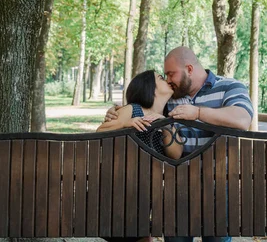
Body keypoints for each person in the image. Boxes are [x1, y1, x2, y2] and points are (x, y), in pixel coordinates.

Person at [105, 47, 253, 242]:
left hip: (218, 182)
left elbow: (242, 119)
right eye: (164, 75)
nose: (167, 80)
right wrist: (116, 114)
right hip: (178, 183)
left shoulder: (229, 87)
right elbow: (145, 104)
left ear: (189, 69)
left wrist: (198, 113)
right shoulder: (171, 96)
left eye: (170, 74)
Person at [97, 69, 183, 159]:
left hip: (156, 171)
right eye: (161, 78)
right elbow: (99, 133)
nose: (167, 81)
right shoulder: (132, 109)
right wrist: (124, 124)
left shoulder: (166, 119)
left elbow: (176, 155)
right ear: (150, 87)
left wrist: (166, 127)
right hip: (129, 170)